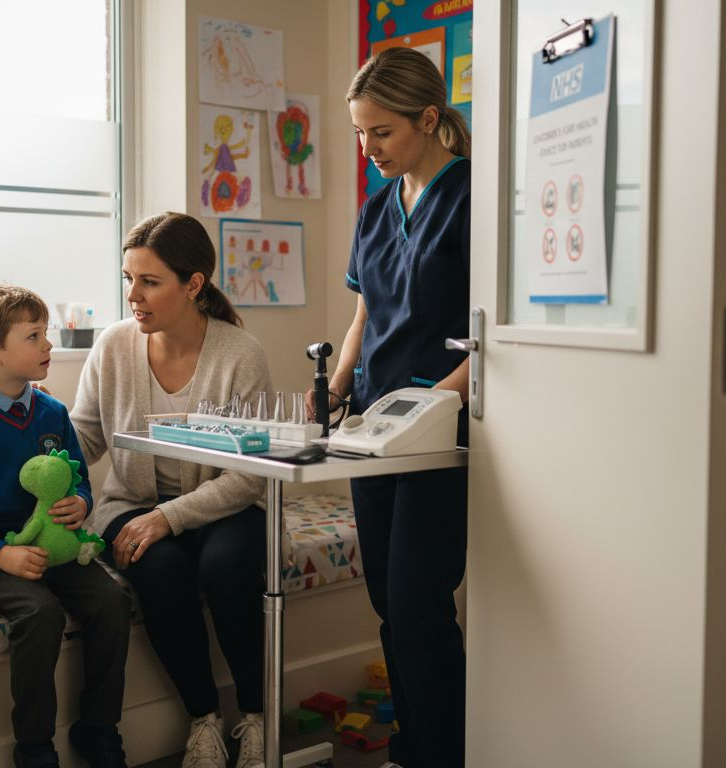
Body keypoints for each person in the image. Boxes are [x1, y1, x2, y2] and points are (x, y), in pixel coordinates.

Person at [307, 46, 472, 768]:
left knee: (418, 605)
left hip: (438, 426)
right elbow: (367, 313)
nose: (369, 149)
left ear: (429, 119)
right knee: (385, 600)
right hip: (374, 426)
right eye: (360, 134)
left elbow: (497, 331)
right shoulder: (378, 207)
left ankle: (443, 753)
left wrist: (435, 402)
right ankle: (410, 744)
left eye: (382, 133)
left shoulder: (475, 197)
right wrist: (338, 387)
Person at [71, 212, 271, 768]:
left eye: (149, 281)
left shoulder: (240, 354)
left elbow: (250, 474)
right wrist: (27, 456)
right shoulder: (113, 347)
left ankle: (254, 720)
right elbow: (82, 436)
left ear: (193, 284)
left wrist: (169, 518)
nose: (133, 295)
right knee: (158, 568)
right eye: (127, 278)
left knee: (227, 567)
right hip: (129, 503)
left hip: (225, 502)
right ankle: (203, 719)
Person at [0, 284, 131, 768]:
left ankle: (99, 729)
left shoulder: (53, 413)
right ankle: (35, 747)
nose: (48, 345)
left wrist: (80, 505)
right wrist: (0, 554)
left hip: (54, 545)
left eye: (46, 333)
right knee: (39, 613)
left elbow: (78, 480)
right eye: (34, 336)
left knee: (111, 601)